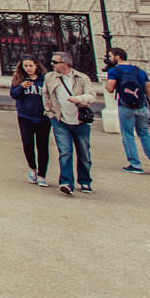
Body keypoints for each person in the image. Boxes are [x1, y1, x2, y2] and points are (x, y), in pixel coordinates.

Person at [42, 51, 95, 195]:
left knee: (84, 153)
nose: (52, 64)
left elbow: (91, 95)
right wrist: (50, 113)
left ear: (65, 63)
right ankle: (66, 182)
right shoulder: (50, 77)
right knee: (65, 152)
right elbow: (46, 95)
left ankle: (85, 181)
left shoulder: (82, 78)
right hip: (60, 120)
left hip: (80, 121)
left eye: (55, 62)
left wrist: (79, 98)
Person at [104, 47, 150, 175]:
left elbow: (109, 88)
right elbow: (148, 92)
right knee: (145, 134)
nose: (110, 59)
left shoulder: (114, 71)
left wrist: (108, 77)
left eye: (111, 56)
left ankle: (135, 164)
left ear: (118, 57)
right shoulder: (140, 71)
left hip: (126, 107)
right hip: (142, 107)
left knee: (128, 135)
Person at [9, 57, 52, 187]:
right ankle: (32, 169)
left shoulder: (45, 80)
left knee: (42, 146)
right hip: (25, 117)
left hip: (42, 117)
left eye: (30, 65)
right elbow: (13, 94)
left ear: (36, 65)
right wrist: (21, 87)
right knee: (28, 144)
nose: (28, 68)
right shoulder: (19, 79)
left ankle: (42, 174)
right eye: (25, 66)